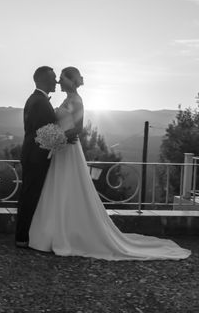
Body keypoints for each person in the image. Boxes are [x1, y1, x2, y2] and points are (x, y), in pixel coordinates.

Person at [29, 67, 191, 260]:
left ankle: (69, 233)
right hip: (61, 149)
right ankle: (55, 231)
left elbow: (78, 128)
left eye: (62, 78)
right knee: (59, 189)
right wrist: (55, 137)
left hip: (69, 149)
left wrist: (58, 137)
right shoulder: (66, 100)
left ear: (71, 81)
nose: (59, 82)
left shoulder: (77, 100)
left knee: (69, 187)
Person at [15, 66, 58, 248]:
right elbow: (43, 134)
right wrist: (64, 137)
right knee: (30, 196)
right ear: (42, 80)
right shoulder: (40, 102)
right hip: (36, 156)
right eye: (53, 78)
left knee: (30, 195)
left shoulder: (36, 99)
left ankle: (26, 235)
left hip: (32, 154)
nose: (55, 81)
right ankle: (22, 237)